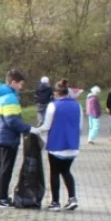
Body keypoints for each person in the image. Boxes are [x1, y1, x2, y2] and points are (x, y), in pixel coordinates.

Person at [0, 69, 40, 208]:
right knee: (6, 169)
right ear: (13, 82)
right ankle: (2, 199)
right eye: (20, 84)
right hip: (8, 138)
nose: (21, 87)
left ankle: (2, 196)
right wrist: (29, 129)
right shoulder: (10, 98)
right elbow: (12, 121)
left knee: (1, 167)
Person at [37, 79, 81, 211]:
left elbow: (46, 126)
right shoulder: (77, 106)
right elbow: (79, 126)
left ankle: (55, 202)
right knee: (66, 171)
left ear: (55, 93)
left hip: (56, 144)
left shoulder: (53, 106)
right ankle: (72, 198)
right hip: (72, 145)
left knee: (54, 172)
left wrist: (36, 130)